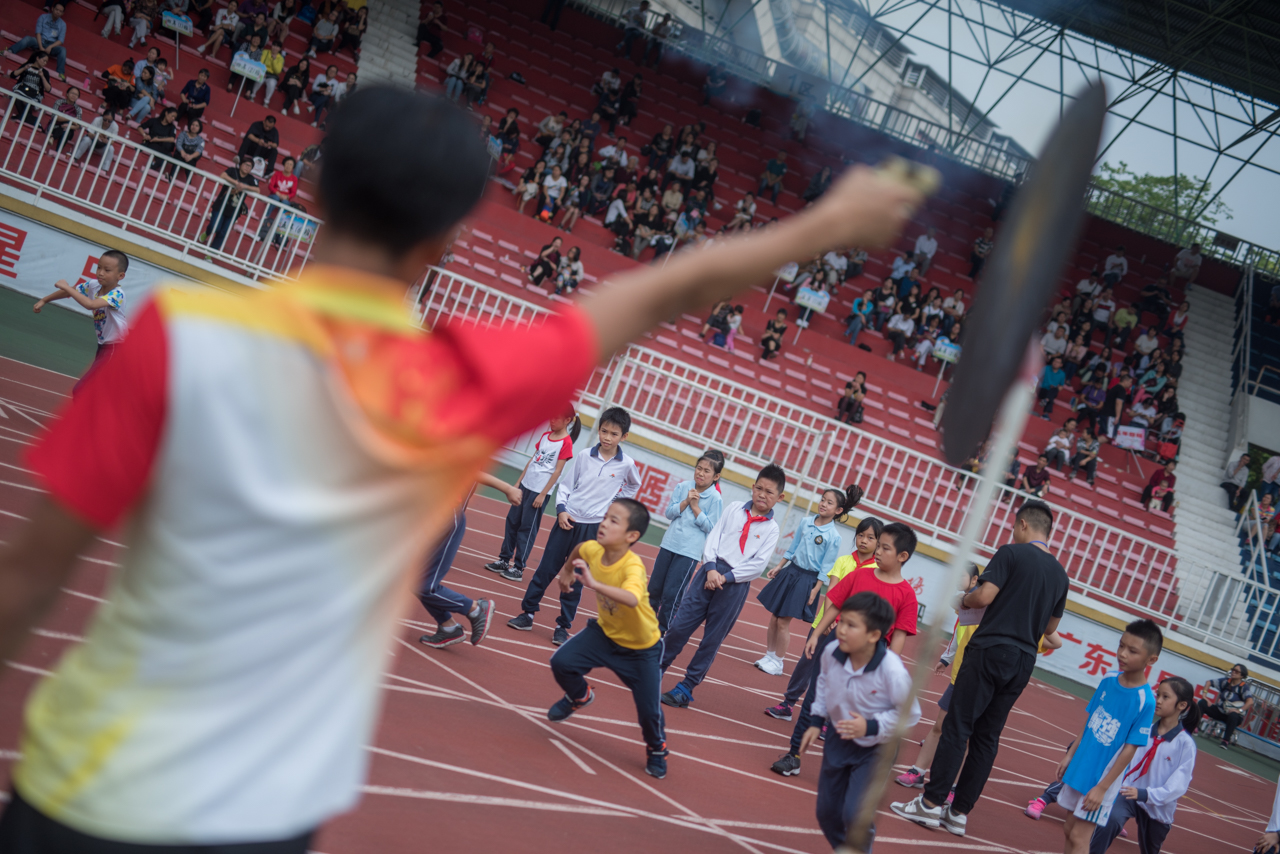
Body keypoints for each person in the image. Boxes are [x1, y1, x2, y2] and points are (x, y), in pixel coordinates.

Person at [0, 86, 927, 850]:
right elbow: (672, 288)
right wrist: (828, 226)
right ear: (445, 242)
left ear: (314, 193)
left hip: (83, 786)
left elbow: (30, 575)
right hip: (263, 814)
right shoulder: (469, 378)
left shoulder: (178, 339)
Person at [893, 501, 1069, 837]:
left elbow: (984, 596)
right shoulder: (1060, 575)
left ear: (1021, 525)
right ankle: (958, 812)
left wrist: (965, 599)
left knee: (958, 727)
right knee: (988, 737)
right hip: (1023, 660)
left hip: (990, 649)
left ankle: (930, 804)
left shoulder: (1010, 553)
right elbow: (1050, 627)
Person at [771, 522, 919, 777]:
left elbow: (899, 637)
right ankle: (793, 754)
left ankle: (849, 767)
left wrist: (887, 667)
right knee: (815, 700)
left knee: (857, 711)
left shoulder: (907, 595)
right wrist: (816, 635)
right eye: (878, 546)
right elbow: (835, 606)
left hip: (873, 658)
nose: (878, 552)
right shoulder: (859, 576)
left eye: (884, 548)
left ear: (902, 556)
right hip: (837, 646)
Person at [546, 499, 670, 778]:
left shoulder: (633, 566)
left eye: (614, 520)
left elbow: (632, 597)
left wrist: (594, 584)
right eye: (605, 517)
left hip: (642, 649)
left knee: (649, 712)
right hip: (604, 634)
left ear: (632, 536)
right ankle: (580, 695)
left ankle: (657, 748)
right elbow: (578, 550)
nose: (604, 523)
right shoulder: (593, 548)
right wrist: (567, 571)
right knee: (562, 662)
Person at [509, 407, 641, 645]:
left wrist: (613, 506)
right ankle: (527, 613)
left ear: (624, 437)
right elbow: (567, 486)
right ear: (598, 429)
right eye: (604, 431)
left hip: (592, 531)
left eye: (613, 434)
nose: (607, 437)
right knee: (545, 570)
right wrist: (561, 511)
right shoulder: (584, 456)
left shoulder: (627, 464)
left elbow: (633, 486)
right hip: (567, 521)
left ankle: (562, 626)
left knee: (576, 578)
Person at [659, 465, 786, 709]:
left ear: (779, 497)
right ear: (752, 487)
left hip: (733, 586)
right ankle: (657, 669)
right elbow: (713, 537)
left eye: (769, 492)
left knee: (712, 640)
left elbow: (757, 566)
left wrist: (725, 579)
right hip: (709, 572)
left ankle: (686, 687)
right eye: (758, 488)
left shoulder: (771, 529)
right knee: (679, 626)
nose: (762, 495)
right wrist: (711, 569)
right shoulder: (734, 508)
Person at [809, 591, 922, 850]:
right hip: (840, 738)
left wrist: (871, 726)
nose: (842, 630)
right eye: (842, 622)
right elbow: (825, 682)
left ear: (873, 635)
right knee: (826, 812)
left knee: (854, 814)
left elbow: (911, 713)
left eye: (852, 625)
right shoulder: (832, 652)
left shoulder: (891, 670)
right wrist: (816, 720)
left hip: (876, 749)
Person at [1056, 621, 1162, 854]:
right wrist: (1070, 755)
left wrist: (1102, 788)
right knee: (1068, 828)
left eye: (1132, 651)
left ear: (1151, 659)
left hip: (1103, 777)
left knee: (1079, 836)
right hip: (1081, 765)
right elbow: (1090, 719)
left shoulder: (1145, 701)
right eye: (1121, 646)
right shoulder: (1108, 678)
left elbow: (1130, 749)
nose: (1122, 654)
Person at [765, 517, 882, 723]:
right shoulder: (843, 561)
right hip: (824, 624)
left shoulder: (876, 571)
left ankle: (828, 719)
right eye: (861, 535)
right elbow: (832, 592)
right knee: (806, 664)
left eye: (870, 537)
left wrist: (844, 622)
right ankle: (788, 704)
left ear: (878, 543)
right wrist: (829, 621)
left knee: (839, 674)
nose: (864, 540)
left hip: (851, 631)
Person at [1079, 676, 1200, 854]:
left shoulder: (1185, 744)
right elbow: (1119, 754)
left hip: (1159, 806)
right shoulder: (1143, 730)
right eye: (1158, 694)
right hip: (1128, 792)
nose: (1158, 700)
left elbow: (1178, 785)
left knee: (1150, 850)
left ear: (1181, 705)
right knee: (1110, 819)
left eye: (1165, 697)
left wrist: (1146, 794)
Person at [755, 485, 862, 675]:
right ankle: (769, 655)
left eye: (829, 503)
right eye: (823, 499)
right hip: (791, 571)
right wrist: (779, 566)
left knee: (783, 622)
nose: (823, 504)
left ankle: (778, 662)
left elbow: (826, 566)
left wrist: (816, 588)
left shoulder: (833, 536)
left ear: (838, 511)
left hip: (807, 580)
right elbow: (793, 547)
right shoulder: (805, 522)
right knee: (774, 618)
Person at [415, 473, 515, 649]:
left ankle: (476, 609)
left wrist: (507, 488)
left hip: (445, 517)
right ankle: (448, 627)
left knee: (426, 585)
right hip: (427, 517)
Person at [484, 407, 580, 580]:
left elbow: (557, 472)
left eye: (557, 418)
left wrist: (543, 494)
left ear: (568, 421)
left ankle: (519, 567)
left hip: (538, 492)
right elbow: (533, 460)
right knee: (512, 522)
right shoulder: (545, 436)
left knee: (527, 529)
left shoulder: (566, 443)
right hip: (525, 486)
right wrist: (518, 483)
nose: (552, 420)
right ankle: (504, 560)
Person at [646, 451, 725, 634]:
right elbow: (669, 513)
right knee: (654, 590)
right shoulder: (683, 487)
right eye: (699, 468)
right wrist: (686, 502)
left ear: (716, 476)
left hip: (688, 552)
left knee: (671, 595)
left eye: (707, 471)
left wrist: (696, 508)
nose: (701, 473)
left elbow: (711, 528)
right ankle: (645, 627)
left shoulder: (715, 498)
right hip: (668, 545)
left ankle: (661, 632)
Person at [30, 250, 130, 378]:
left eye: (107, 270)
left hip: (116, 348)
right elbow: (71, 291)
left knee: (84, 389)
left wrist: (66, 287)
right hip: (103, 345)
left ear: (120, 276)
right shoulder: (94, 285)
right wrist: (45, 300)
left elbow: (90, 305)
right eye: (99, 267)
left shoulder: (117, 294)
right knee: (98, 388)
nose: (100, 273)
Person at [201, 158, 259, 252]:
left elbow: (258, 190)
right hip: (221, 204)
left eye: (250, 166)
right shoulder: (232, 170)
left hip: (234, 210)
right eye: (245, 164)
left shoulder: (250, 179)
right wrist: (235, 183)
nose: (247, 167)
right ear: (240, 165)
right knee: (215, 226)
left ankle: (211, 252)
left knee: (223, 232)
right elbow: (223, 175)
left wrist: (244, 186)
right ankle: (207, 232)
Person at [1197, 663, 1254, 748]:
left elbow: (1250, 702)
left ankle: (1225, 741)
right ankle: (1195, 727)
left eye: (1236, 671)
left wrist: (1239, 711)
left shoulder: (1244, 687)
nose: (1233, 672)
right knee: (1202, 703)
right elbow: (1209, 682)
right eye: (1233, 670)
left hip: (1232, 716)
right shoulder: (1226, 681)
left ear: (1242, 675)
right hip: (1220, 711)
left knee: (1234, 715)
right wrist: (1204, 696)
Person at [7, 4, 68, 80]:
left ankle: (60, 73)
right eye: (56, 9)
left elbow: (60, 40)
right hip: (40, 41)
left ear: (62, 13)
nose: (58, 12)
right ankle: (10, 51)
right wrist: (41, 47)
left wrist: (50, 47)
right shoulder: (43, 17)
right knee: (28, 39)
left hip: (51, 46)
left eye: (60, 11)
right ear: (52, 9)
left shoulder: (63, 24)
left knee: (63, 50)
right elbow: (38, 33)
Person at [256, 156, 300, 240]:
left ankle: (280, 222)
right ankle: (266, 216)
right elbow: (271, 186)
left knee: (286, 203)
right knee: (275, 198)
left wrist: (286, 196)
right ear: (284, 164)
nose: (288, 166)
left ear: (293, 167)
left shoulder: (294, 179)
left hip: (285, 198)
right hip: (274, 195)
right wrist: (277, 193)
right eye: (287, 164)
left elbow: (293, 192)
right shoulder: (277, 174)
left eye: (291, 164)